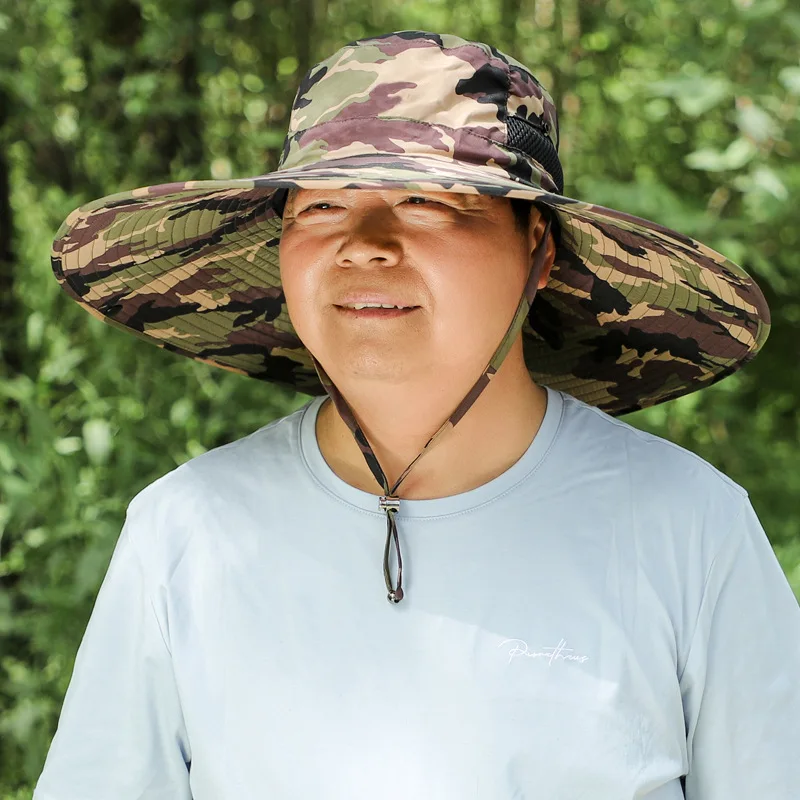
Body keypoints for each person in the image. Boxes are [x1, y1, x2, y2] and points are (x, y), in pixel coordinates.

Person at [34, 30, 799, 800]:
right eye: (324, 205)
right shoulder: (189, 532)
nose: (364, 247)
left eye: (425, 201)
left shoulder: (686, 528)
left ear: (538, 248)